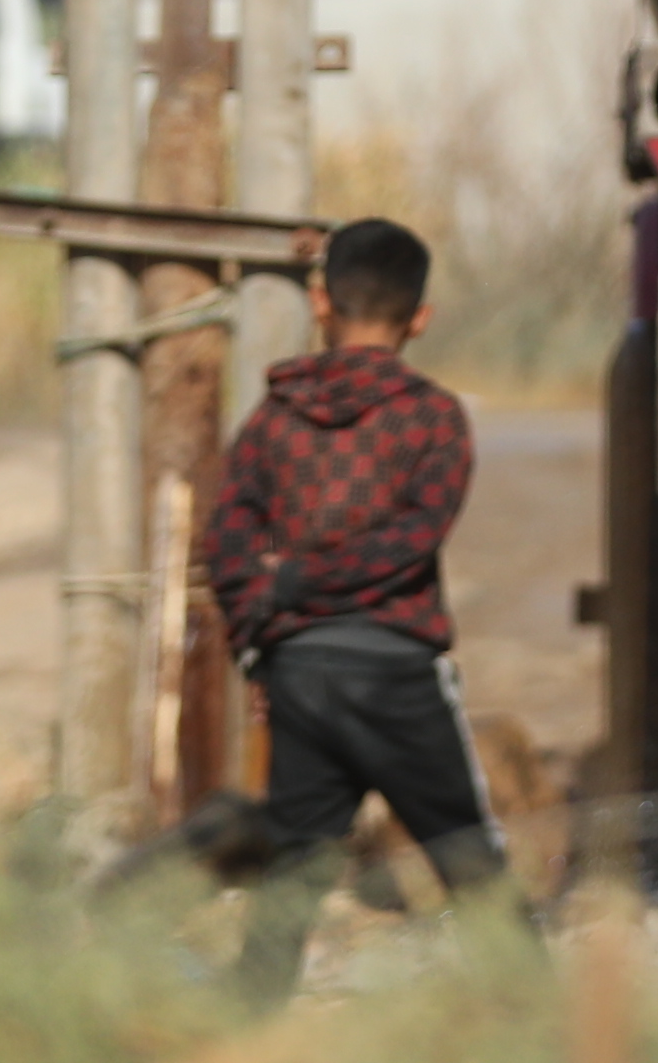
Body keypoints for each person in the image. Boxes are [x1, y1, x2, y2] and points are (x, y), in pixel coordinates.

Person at [200, 217, 516, 1002]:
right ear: (420, 318)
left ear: (320, 303)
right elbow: (411, 542)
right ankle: (552, 1033)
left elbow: (227, 550)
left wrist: (266, 626)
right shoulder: (434, 419)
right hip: (397, 674)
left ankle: (241, 1039)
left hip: (301, 676)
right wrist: (305, 590)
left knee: (290, 886)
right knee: (471, 866)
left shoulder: (271, 422)